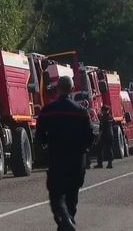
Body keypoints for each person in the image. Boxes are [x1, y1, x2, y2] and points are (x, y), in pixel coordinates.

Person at [36, 76, 95, 231]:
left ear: (58, 89)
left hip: (57, 158)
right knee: (72, 195)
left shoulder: (48, 111)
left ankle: (66, 221)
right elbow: (90, 136)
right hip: (77, 160)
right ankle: (69, 220)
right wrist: (84, 151)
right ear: (72, 89)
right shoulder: (81, 111)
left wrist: (43, 151)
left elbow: (39, 136)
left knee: (57, 196)